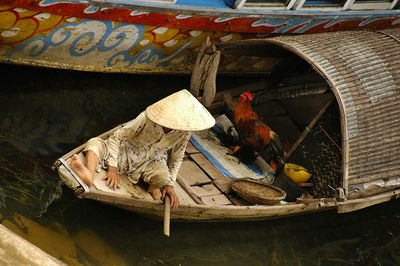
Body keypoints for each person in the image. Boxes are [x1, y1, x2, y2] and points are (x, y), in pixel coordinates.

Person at [69, 89, 215, 208]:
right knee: (95, 143)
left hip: (151, 162)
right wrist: (112, 168)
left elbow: (177, 157)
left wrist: (169, 185)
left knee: (163, 176)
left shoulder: (184, 132)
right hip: (125, 153)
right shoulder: (146, 118)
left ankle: (152, 188)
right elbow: (116, 138)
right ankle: (88, 174)